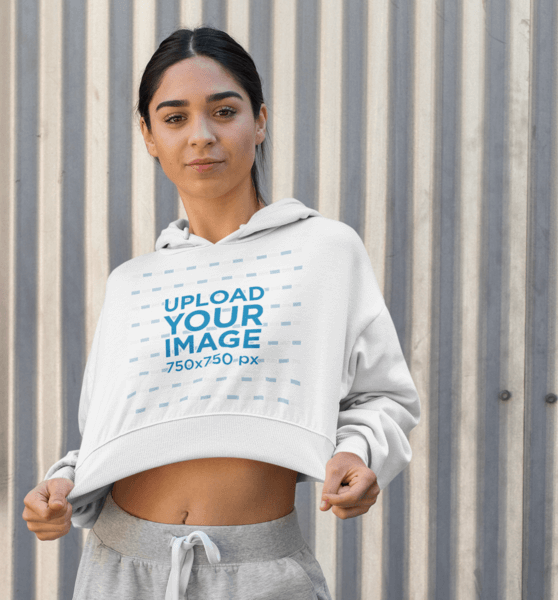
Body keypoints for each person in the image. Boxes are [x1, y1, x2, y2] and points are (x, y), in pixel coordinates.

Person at [22, 26, 420, 600]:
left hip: (260, 571)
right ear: (149, 136)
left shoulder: (326, 251)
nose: (201, 136)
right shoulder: (133, 283)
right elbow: (110, 431)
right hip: (119, 569)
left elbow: (384, 396)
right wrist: (59, 485)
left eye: (223, 111)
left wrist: (357, 454)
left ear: (259, 121)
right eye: (175, 117)